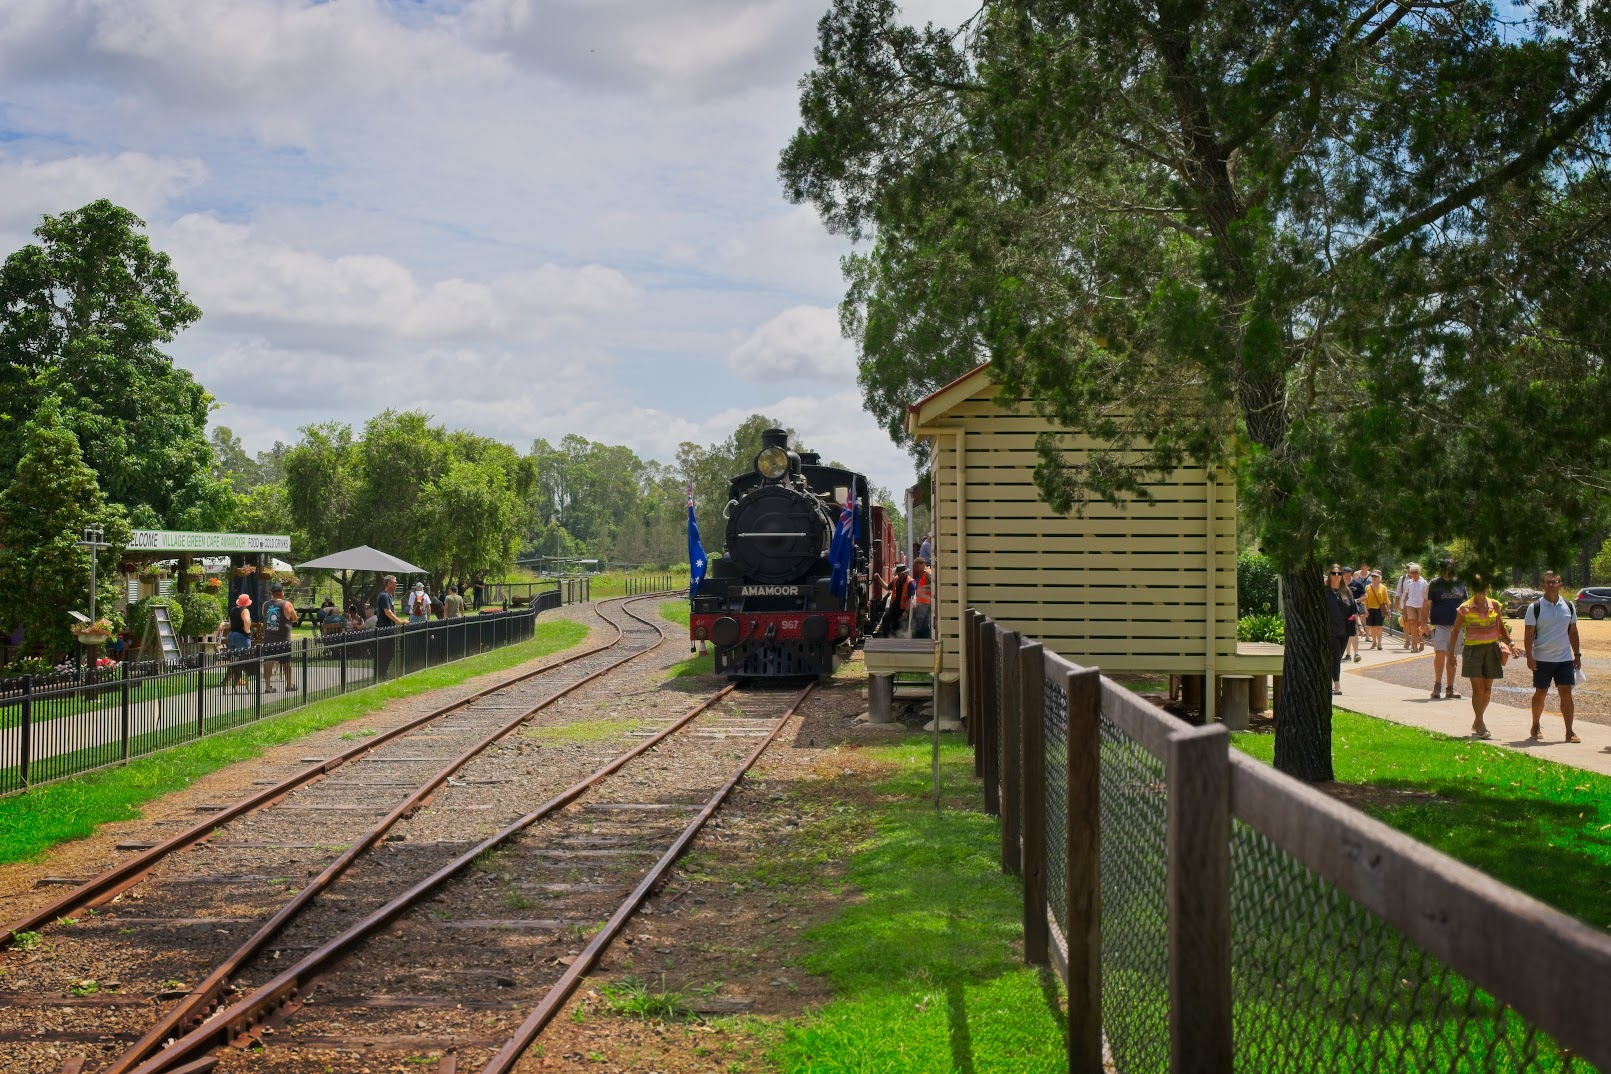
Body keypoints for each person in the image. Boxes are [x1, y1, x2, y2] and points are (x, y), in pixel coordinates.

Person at [1450, 575, 1517, 739]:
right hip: (1473, 651)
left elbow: (1501, 627)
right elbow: (1455, 631)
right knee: (1478, 689)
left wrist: (1511, 643)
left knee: (1487, 690)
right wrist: (1451, 653)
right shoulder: (1464, 608)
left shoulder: (1495, 605)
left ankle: (1477, 721)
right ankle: (1481, 724)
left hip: (1491, 650)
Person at [1524, 571, 1582, 742]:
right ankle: (1535, 725)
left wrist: (1577, 655)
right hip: (1542, 658)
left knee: (1566, 693)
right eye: (1548, 582)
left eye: (1554, 582)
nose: (1551, 585)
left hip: (1564, 658)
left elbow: (1573, 632)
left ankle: (1569, 731)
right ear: (1542, 585)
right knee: (1541, 692)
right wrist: (1529, 657)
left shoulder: (1568, 606)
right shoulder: (1535, 607)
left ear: (1560, 584)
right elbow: (1528, 634)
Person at [1425, 559, 1467, 700]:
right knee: (1440, 653)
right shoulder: (1434, 583)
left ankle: (1450, 688)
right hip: (1439, 624)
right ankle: (1437, 686)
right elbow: (1427, 604)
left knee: (1452, 655)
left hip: (1456, 625)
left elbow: (1465, 604)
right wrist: (1423, 623)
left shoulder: (1460, 583)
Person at [261, 581, 299, 692]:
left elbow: (264, 617)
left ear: (272, 593)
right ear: (282, 592)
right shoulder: (287, 604)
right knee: (286, 661)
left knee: (268, 661)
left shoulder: (265, 605)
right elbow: (295, 619)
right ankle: (289, 684)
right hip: (283, 638)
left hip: (268, 637)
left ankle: (267, 686)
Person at [1324, 564, 1355, 695]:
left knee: (1337, 657)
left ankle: (1329, 680)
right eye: (1334, 573)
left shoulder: (1347, 591)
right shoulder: (1325, 592)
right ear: (1329, 575)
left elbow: (1353, 611)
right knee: (1336, 657)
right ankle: (1337, 684)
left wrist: (1359, 626)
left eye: (1339, 573)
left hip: (1345, 630)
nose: (1336, 576)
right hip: (1331, 629)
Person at [220, 593, 254, 694]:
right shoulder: (245, 610)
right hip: (241, 636)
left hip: (232, 635)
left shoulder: (233, 610)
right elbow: (247, 621)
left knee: (234, 661)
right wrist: (247, 631)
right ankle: (245, 685)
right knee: (245, 662)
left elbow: (230, 624)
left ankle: (228, 682)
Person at [1394, 563, 1429, 652]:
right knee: (1412, 624)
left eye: (1415, 573)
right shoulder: (1409, 582)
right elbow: (1405, 596)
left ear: (1419, 572)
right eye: (1411, 573)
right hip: (1410, 605)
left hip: (1421, 606)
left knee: (1420, 625)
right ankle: (1414, 645)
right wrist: (1404, 608)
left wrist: (1428, 610)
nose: (1413, 574)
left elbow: (1427, 597)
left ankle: (1421, 641)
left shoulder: (1424, 582)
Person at [375, 575, 404, 679]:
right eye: (395, 582)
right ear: (389, 583)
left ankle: (383, 673)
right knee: (385, 652)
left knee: (389, 652)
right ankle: (381, 674)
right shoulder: (384, 596)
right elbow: (388, 612)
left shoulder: (390, 596)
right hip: (384, 627)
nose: (396, 584)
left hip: (389, 627)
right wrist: (400, 621)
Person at [1364, 570, 1391, 651]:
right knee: (1372, 627)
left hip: (1380, 609)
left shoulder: (1383, 587)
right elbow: (1365, 600)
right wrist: (1365, 610)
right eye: (1372, 576)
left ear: (1380, 578)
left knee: (1379, 627)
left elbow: (1387, 600)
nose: (1374, 577)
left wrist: (1388, 610)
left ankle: (1379, 644)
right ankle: (1374, 642)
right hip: (1370, 609)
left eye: (1376, 576)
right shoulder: (1367, 587)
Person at [909, 558, 933, 640]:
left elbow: (934, 585)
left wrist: (923, 588)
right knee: (919, 623)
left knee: (922, 624)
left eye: (918, 567)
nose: (917, 569)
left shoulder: (928, 573)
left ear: (923, 564)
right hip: (922, 603)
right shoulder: (923, 574)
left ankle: (922, 639)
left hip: (925, 603)